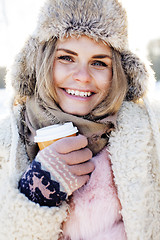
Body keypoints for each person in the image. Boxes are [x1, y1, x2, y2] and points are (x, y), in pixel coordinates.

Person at [0, 0, 160, 239]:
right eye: (66, 58)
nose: (83, 77)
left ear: (116, 70)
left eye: (98, 62)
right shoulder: (8, 142)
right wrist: (37, 193)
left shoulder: (149, 133)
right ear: (42, 61)